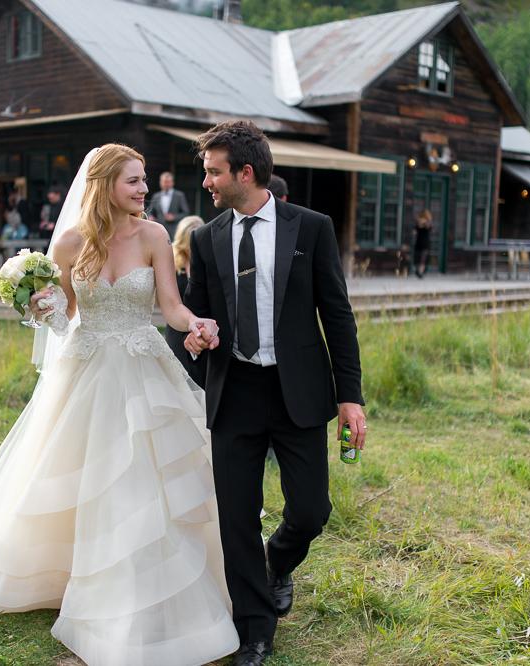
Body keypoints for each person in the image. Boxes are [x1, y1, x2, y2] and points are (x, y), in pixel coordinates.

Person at [0, 144, 239, 666]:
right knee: (77, 472)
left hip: (142, 367)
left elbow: (169, 306)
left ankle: (139, 579)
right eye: (133, 181)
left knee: (141, 475)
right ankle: (66, 573)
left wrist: (195, 324)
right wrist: (40, 305)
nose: (143, 190)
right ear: (102, 185)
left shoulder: (154, 236)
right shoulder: (72, 243)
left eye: (144, 180)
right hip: (85, 367)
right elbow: (65, 316)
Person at [182, 121, 365, 666]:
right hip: (234, 392)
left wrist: (349, 396)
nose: (207, 182)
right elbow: (192, 314)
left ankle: (278, 561)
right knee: (236, 518)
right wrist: (195, 333)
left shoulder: (311, 228)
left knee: (310, 511)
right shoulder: (205, 238)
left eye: (214, 172)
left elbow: (337, 312)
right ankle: (255, 629)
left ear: (245, 171)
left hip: (299, 393)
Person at [166, 215, 207, 387]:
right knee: (178, 377)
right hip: (177, 327)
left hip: (202, 326)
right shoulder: (173, 263)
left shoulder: (207, 261)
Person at [146, 171, 190, 239]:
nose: (165, 184)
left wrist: (174, 217)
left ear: (172, 183)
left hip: (174, 231)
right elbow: (150, 211)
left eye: (168, 182)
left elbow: (186, 213)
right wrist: (150, 216)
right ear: (160, 183)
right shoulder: (156, 196)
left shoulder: (179, 195)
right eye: (164, 181)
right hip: (159, 231)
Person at [413, 209, 433, 279]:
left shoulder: (427, 223)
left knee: (421, 259)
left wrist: (422, 223)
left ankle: (420, 272)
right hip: (422, 243)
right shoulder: (419, 223)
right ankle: (419, 271)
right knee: (421, 259)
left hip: (422, 243)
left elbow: (429, 227)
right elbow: (414, 231)